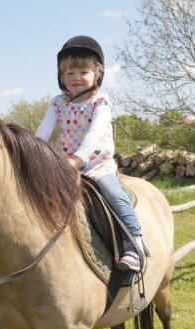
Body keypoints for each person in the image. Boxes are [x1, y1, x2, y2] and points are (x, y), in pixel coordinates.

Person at [35, 35, 145, 272]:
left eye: (83, 72)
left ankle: (134, 242)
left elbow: (93, 134)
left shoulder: (101, 102)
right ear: (61, 77)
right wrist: (32, 154)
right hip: (62, 165)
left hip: (96, 165)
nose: (75, 78)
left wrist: (78, 159)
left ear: (97, 75)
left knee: (113, 194)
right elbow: (43, 132)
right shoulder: (58, 103)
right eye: (69, 73)